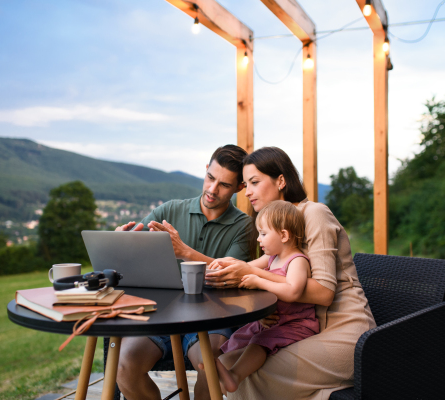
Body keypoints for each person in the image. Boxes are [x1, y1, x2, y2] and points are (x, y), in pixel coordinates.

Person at [204, 146, 377, 400]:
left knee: (250, 374)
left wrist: (257, 278)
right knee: (225, 363)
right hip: (302, 329)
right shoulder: (277, 228)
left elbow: (325, 293)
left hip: (345, 332)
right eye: (245, 184)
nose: (247, 192)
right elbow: (254, 269)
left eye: (254, 182)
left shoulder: (314, 213)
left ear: (281, 181)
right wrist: (221, 269)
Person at [115, 144, 253, 400]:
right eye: (210, 178)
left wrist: (184, 251)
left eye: (224, 184)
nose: (212, 189)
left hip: (211, 319)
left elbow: (232, 272)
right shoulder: (169, 211)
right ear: (205, 171)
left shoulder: (244, 227)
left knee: (209, 366)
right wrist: (120, 243)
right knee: (125, 368)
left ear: (240, 188)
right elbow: (132, 252)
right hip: (160, 316)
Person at [202, 200, 319, 395]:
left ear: (283, 235)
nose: (258, 239)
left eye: (263, 234)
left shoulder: (297, 261)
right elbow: (246, 266)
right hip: (274, 320)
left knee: (259, 342)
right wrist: (225, 263)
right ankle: (217, 365)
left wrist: (259, 281)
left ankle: (234, 377)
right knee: (240, 336)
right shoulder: (272, 257)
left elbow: (293, 291)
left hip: (295, 324)